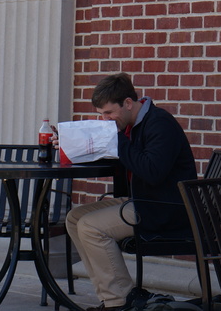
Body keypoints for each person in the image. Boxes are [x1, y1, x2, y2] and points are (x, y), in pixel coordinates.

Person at [63, 73, 197, 311]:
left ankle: (120, 301)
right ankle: (110, 296)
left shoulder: (159, 123)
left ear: (127, 103)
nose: (105, 120)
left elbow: (152, 171)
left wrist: (116, 139)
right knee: (74, 218)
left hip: (165, 208)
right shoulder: (130, 125)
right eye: (102, 114)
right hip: (145, 200)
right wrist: (71, 146)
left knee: (90, 227)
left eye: (109, 113)